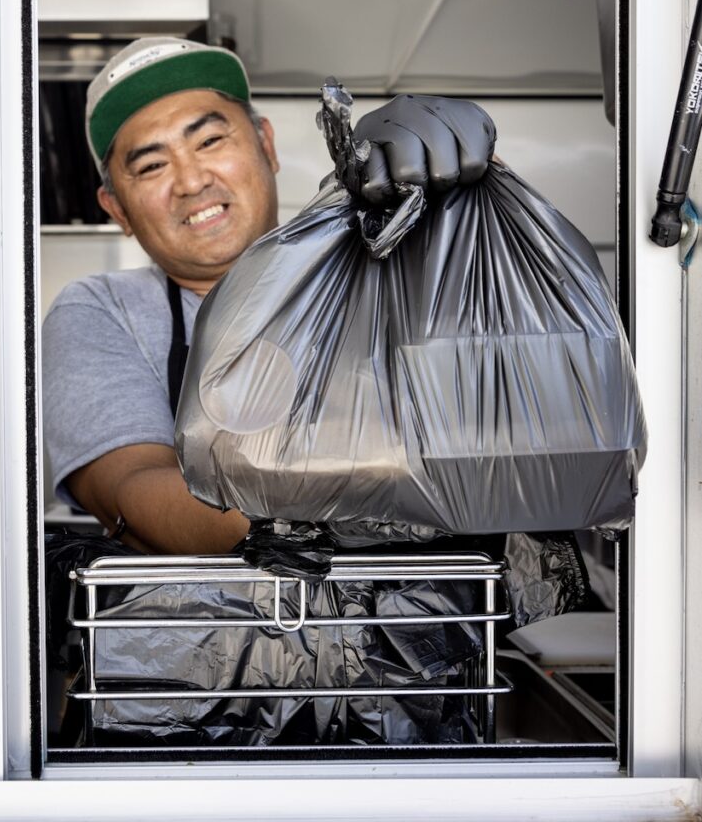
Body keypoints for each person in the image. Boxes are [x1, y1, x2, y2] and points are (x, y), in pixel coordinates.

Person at [42, 36, 495, 554]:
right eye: (151, 166)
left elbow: (494, 406)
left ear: (266, 144)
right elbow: (131, 488)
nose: (191, 181)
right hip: (211, 633)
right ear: (116, 208)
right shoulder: (104, 311)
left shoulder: (383, 262)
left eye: (210, 141)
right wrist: (347, 504)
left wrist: (459, 193)